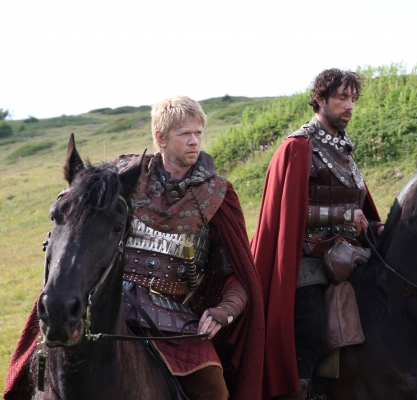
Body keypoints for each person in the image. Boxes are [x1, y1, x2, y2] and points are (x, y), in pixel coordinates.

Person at [4, 96, 265, 400]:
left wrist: (224, 311)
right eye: (185, 134)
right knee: (36, 368)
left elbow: (235, 275)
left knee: (212, 388)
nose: (194, 141)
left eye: (198, 133)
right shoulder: (123, 178)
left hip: (175, 320)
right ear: (160, 138)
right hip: (108, 302)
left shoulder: (218, 194)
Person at [251, 69, 383, 399]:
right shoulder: (298, 147)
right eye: (341, 98)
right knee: (310, 327)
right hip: (308, 256)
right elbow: (289, 213)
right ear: (320, 100)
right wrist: (342, 215)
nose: (349, 105)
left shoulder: (343, 148)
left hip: (350, 251)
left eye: (352, 98)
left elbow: (361, 205)